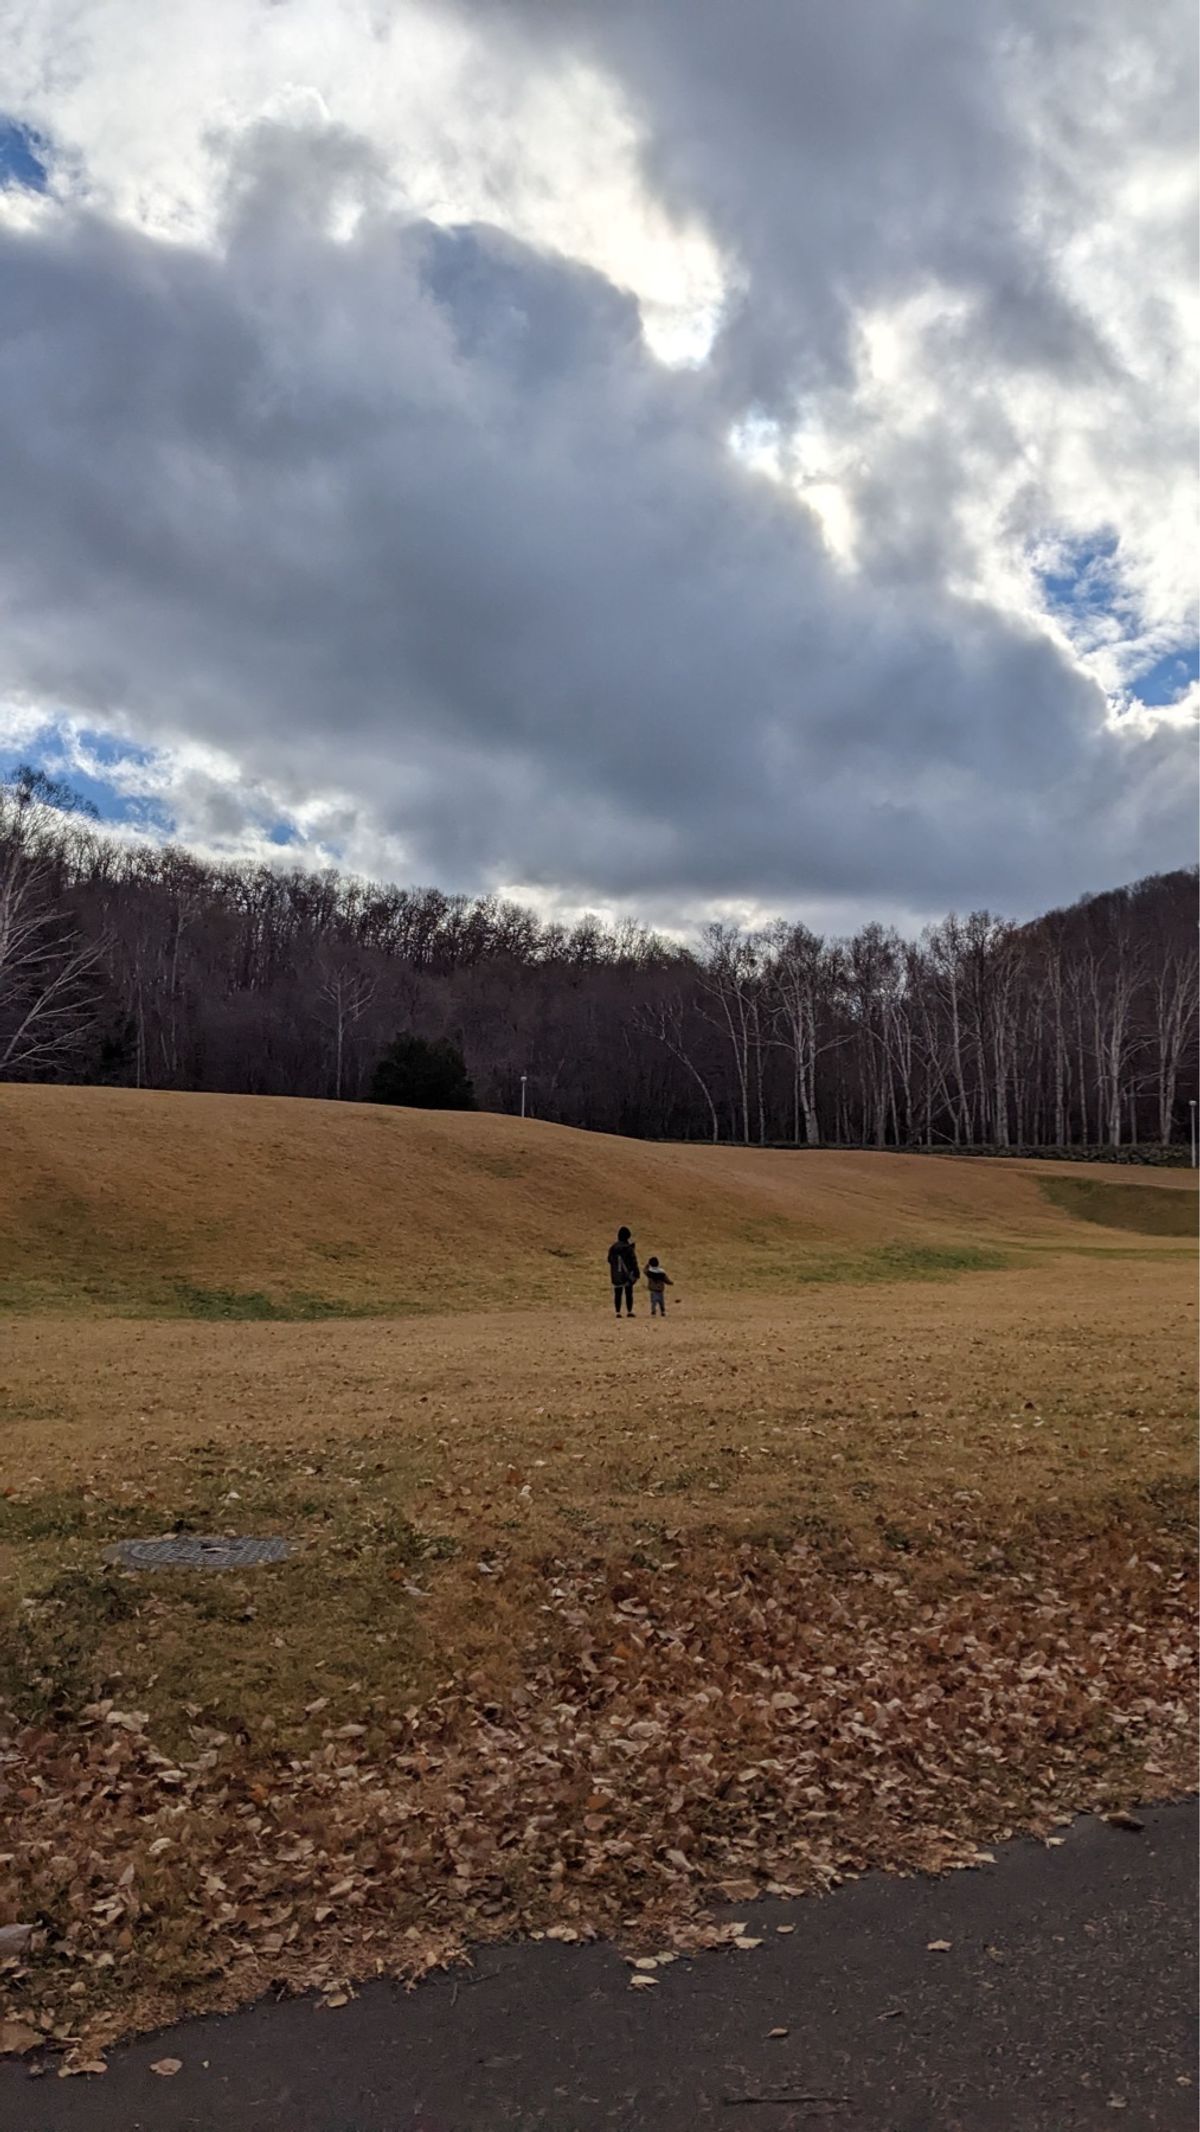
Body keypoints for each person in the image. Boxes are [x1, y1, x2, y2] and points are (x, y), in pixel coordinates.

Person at [607, 1225, 639, 1316]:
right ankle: (629, 1311)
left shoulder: (613, 1248)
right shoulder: (628, 1248)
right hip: (627, 1274)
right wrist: (636, 1273)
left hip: (616, 1274)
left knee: (618, 1293)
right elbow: (633, 1261)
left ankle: (618, 1312)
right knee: (629, 1293)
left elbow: (609, 1259)